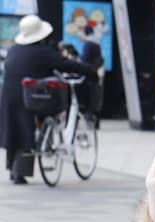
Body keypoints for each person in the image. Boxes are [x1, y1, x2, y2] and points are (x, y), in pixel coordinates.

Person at [0, 15, 98, 185]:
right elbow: (67, 64)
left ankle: (14, 171)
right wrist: (91, 72)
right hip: (30, 96)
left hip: (9, 96)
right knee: (26, 129)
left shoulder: (13, 50)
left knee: (14, 130)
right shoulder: (43, 52)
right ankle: (21, 171)